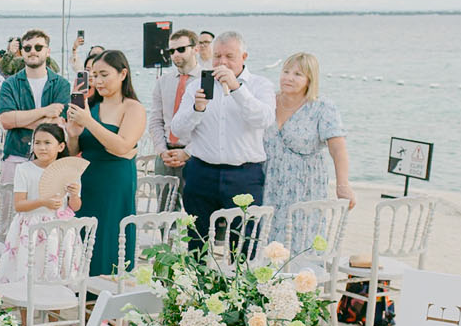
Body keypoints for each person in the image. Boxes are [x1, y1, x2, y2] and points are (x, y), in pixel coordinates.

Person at [169, 31, 276, 249]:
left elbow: (264, 120)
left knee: (244, 244)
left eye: (229, 56)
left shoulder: (259, 85)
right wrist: (196, 109)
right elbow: (177, 130)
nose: (222, 62)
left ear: (244, 57)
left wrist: (237, 89)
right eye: (218, 56)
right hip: (201, 172)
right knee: (196, 242)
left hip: (244, 175)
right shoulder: (196, 86)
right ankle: (196, 283)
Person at [265, 52, 355, 249]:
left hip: (304, 189)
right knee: (265, 246)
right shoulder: (267, 101)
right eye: (286, 71)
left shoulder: (322, 107)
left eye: (297, 74)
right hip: (268, 186)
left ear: (309, 80)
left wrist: (343, 185)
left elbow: (338, 150)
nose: (288, 78)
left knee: (301, 245)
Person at [68, 50, 145, 276]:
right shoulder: (89, 105)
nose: (98, 81)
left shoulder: (133, 108)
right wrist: (72, 134)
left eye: (104, 75)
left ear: (123, 74)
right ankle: (83, 293)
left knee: (111, 236)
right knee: (85, 237)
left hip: (115, 181)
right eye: (94, 75)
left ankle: (109, 296)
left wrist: (89, 123)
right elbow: (75, 152)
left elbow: (122, 145)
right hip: (86, 181)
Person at [0, 124, 82, 287]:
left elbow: (75, 207)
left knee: (56, 279)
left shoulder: (69, 171)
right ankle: (26, 311)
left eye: (47, 143)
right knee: (26, 278)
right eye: (37, 142)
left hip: (58, 229)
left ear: (61, 146)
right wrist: (43, 201)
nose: (42, 147)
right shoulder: (24, 169)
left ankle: (52, 311)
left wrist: (75, 194)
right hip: (30, 229)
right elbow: (19, 205)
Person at [0, 29, 71, 183]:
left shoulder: (61, 84)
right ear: (22, 52)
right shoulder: (10, 84)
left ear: (47, 51)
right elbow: (6, 120)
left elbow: (58, 123)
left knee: (49, 206)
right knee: (11, 206)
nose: (32, 52)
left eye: (38, 47)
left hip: (50, 158)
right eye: (28, 48)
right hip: (16, 155)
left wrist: (19, 120)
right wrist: (46, 111)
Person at [144, 28, 201, 182]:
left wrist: (188, 152)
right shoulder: (163, 81)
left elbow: (211, 125)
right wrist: (162, 151)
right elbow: (156, 119)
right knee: (163, 206)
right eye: (172, 51)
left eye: (181, 49)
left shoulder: (206, 80)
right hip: (165, 156)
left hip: (195, 156)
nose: (176, 54)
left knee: (195, 205)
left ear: (196, 49)